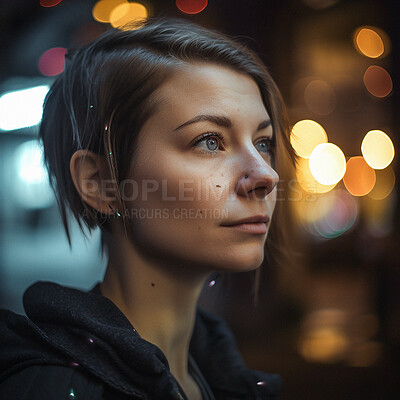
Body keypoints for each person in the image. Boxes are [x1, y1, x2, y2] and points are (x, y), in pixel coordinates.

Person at [0, 16, 297, 399]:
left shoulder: (215, 375)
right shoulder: (49, 388)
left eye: (262, 142)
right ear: (100, 183)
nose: (266, 176)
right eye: (209, 141)